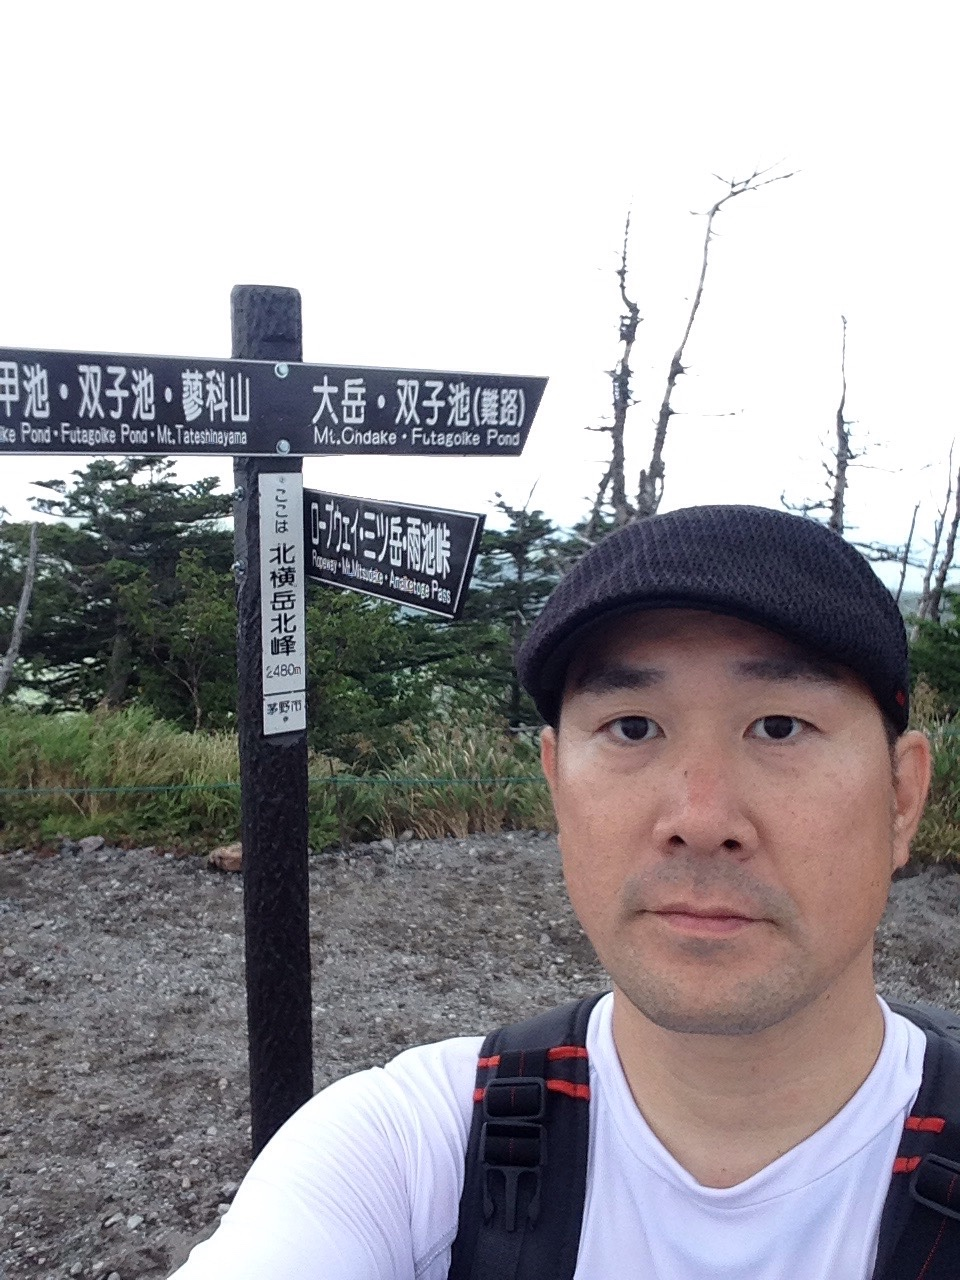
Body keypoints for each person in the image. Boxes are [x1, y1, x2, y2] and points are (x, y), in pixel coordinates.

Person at [170, 504, 935, 1280]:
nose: (701, 821)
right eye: (632, 728)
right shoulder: (406, 1155)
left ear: (902, 797)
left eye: (779, 727)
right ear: (556, 784)